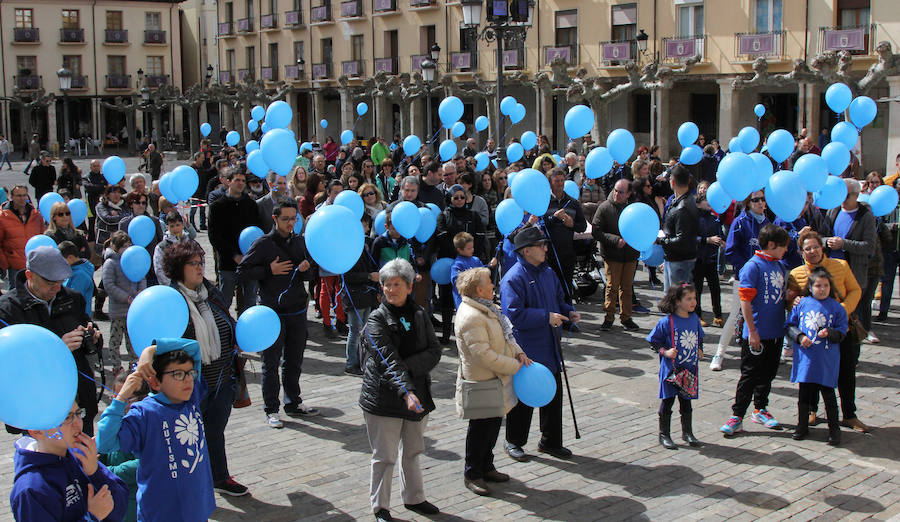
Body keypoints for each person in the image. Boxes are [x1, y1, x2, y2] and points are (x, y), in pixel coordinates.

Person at [162, 240, 249, 496]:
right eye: (194, 263)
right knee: (186, 438)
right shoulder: (171, 301)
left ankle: (220, 477)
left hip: (222, 379)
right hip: (188, 386)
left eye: (201, 262)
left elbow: (228, 321)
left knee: (214, 432)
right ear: (179, 267)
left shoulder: (210, 292)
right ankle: (188, 484)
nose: (200, 267)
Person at [96, 339, 217, 520]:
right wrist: (121, 398)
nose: (188, 380)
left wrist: (150, 351)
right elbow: (104, 443)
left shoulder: (191, 397)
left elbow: (193, 347)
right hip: (161, 513)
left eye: (190, 373)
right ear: (155, 382)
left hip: (197, 507)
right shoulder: (144, 413)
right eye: (177, 374)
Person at [359, 259, 442, 522]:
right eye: (386, 285)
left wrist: (409, 368)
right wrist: (407, 391)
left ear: (408, 287)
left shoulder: (419, 313)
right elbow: (386, 360)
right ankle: (380, 507)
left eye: (397, 284)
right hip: (384, 397)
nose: (391, 289)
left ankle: (414, 498)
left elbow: (434, 350)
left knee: (414, 451)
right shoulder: (376, 319)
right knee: (384, 456)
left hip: (418, 394)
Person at [0, 247, 103, 433]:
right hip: (37, 405)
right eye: (50, 283)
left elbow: (88, 326)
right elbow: (10, 364)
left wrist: (94, 337)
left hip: (78, 398)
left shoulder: (72, 298)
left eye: (60, 282)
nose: (56, 289)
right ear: (30, 275)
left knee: (83, 457)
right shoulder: (7, 310)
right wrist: (57, 349)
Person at [501, 226, 579, 461]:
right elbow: (514, 315)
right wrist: (546, 317)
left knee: (553, 395)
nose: (546, 248)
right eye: (541, 245)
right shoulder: (513, 279)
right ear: (526, 251)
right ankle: (513, 440)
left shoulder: (548, 273)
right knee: (525, 397)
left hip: (551, 346)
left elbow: (558, 300)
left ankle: (551, 441)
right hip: (528, 350)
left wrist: (568, 312)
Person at [237, 202, 319, 427]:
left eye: (294, 218)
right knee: (271, 362)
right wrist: (267, 271)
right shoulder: (263, 243)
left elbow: (310, 275)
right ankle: (271, 408)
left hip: (297, 309)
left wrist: (306, 269)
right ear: (275, 219)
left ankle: (293, 401)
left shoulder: (300, 242)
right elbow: (242, 272)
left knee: (294, 359)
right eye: (286, 219)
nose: (291, 223)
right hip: (272, 312)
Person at [454, 267, 528, 496]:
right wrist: (514, 366)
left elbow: (507, 336)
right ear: (479, 289)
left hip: (496, 380)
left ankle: (487, 466)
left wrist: (519, 353)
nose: (493, 286)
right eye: (489, 282)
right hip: (482, 382)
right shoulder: (470, 317)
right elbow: (483, 355)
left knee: (493, 425)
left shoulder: (489, 309)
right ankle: (472, 473)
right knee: (480, 429)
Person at [786, 229, 866, 433]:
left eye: (815, 247)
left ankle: (849, 414)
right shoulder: (797, 274)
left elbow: (855, 290)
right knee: (811, 374)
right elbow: (791, 304)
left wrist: (843, 310)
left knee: (846, 372)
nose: (812, 251)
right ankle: (811, 411)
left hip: (840, 329)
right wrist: (792, 300)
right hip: (812, 336)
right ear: (801, 252)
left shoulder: (841, 265)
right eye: (807, 249)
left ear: (822, 248)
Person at [720, 225, 790, 436]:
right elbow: (746, 302)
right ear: (771, 245)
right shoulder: (753, 267)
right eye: (783, 247)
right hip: (756, 334)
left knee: (768, 374)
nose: (786, 251)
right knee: (749, 376)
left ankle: (760, 409)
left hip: (776, 333)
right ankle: (737, 416)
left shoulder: (778, 266)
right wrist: (752, 331)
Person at [9, 401, 129, 521]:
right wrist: (92, 517)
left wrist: (95, 473)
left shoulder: (80, 456)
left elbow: (121, 506)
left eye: (78, 413)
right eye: (66, 418)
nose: (77, 423)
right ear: (37, 431)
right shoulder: (31, 488)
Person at [710, 190, 771, 371]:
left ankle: (761, 351)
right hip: (743, 279)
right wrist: (746, 269)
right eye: (756, 200)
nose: (760, 203)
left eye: (762, 199)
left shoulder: (768, 224)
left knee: (762, 315)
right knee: (736, 314)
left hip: (763, 279)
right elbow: (730, 251)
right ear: (748, 203)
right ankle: (719, 353)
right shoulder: (740, 223)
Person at [786, 267, 848, 445]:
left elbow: (842, 332)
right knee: (804, 394)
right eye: (818, 285)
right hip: (807, 358)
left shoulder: (837, 308)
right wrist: (800, 336)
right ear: (811, 287)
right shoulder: (802, 304)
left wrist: (830, 332)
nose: (822, 289)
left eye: (826, 285)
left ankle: (834, 430)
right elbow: (790, 325)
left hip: (826, 360)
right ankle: (802, 426)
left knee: (828, 395)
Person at [647, 283, 704, 449]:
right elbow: (653, 340)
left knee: (686, 401)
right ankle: (664, 434)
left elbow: (699, 336)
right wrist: (665, 351)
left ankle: (688, 432)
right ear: (678, 301)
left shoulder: (694, 319)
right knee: (668, 401)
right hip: (671, 370)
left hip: (689, 369)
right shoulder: (667, 321)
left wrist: (700, 348)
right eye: (689, 299)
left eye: (694, 298)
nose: (693, 302)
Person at [824, 179, 877, 344]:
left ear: (856, 195)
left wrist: (844, 244)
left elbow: (869, 247)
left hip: (853, 275)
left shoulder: (865, 217)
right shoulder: (832, 211)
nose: (842, 199)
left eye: (846, 196)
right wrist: (827, 241)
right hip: (831, 274)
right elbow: (821, 236)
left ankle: (851, 353)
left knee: (853, 317)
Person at [208, 170, 263, 312]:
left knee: (250, 301)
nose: (240, 184)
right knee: (224, 301)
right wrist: (233, 255)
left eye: (243, 181)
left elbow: (257, 230)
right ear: (229, 181)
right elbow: (214, 236)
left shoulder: (251, 205)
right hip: (227, 263)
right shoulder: (217, 206)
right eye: (237, 180)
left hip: (249, 261)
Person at [592, 179, 640, 331]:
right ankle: (609, 317)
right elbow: (596, 231)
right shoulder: (604, 208)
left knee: (627, 287)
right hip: (613, 254)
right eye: (616, 190)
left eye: (621, 192)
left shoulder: (633, 208)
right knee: (612, 287)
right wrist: (614, 240)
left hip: (630, 254)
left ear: (628, 194)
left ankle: (626, 317)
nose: (617, 194)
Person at [341, 213, 379, 375]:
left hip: (366, 294)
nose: (366, 229)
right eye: (363, 225)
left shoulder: (365, 246)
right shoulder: (349, 249)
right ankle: (351, 363)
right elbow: (348, 276)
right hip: (354, 295)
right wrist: (369, 276)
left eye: (367, 225)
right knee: (355, 330)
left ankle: (363, 360)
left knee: (365, 330)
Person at [102, 231, 146, 373]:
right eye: (123, 246)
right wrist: (126, 297)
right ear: (115, 247)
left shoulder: (133, 259)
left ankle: (134, 365)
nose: (127, 249)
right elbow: (109, 285)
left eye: (129, 245)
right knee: (115, 340)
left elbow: (141, 276)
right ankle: (116, 365)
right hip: (118, 310)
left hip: (133, 310)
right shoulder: (111, 262)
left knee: (132, 341)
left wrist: (141, 291)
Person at [543, 168, 587, 303]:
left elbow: (583, 226)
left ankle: (567, 318)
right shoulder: (544, 201)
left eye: (562, 181)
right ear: (550, 183)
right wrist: (554, 218)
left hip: (567, 252)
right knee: (550, 288)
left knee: (566, 287)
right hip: (548, 253)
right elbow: (540, 225)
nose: (560, 184)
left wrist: (572, 224)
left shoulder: (573, 203)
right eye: (557, 181)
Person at [658, 164, 699, 292]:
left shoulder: (683, 207)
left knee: (675, 300)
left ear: (673, 181)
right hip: (677, 258)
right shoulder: (681, 201)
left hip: (680, 261)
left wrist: (661, 240)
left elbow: (682, 239)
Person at [0, 185, 45, 288]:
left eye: (24, 195)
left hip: (34, 265)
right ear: (12, 197)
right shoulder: (3, 217)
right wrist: (5, 263)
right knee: (15, 298)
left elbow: (42, 236)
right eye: (18, 195)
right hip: (15, 265)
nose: (22, 198)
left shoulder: (36, 215)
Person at [693, 193, 725, 327]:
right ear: (699, 203)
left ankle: (718, 315)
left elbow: (720, 234)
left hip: (711, 260)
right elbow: (691, 238)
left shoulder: (714, 219)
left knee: (715, 289)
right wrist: (707, 240)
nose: (709, 203)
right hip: (698, 259)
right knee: (697, 290)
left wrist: (722, 241)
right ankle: (697, 315)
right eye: (706, 201)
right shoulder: (694, 218)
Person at [153, 212, 196, 286]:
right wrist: (171, 285)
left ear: (182, 225)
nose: (175, 229)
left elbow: (199, 263)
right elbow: (159, 269)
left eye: (178, 225)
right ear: (167, 227)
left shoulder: (191, 243)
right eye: (172, 226)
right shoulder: (161, 247)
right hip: (171, 286)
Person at [450, 232, 485, 309]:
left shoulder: (476, 260)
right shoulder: (457, 264)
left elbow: (484, 274)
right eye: (469, 248)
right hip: (464, 302)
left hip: (478, 299)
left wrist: (489, 266)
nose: (472, 249)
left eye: (472, 247)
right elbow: (456, 281)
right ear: (459, 250)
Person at [61, 240, 95, 316]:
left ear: (70, 257)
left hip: (78, 318)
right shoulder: (74, 270)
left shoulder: (80, 275)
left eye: (62, 260)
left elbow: (74, 299)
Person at [95, 185, 131, 252]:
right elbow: (107, 219)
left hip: (121, 240)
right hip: (106, 239)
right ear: (108, 195)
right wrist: (122, 217)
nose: (116, 195)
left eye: (118, 192)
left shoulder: (125, 205)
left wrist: (118, 215)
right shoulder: (101, 205)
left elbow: (130, 217)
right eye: (113, 192)